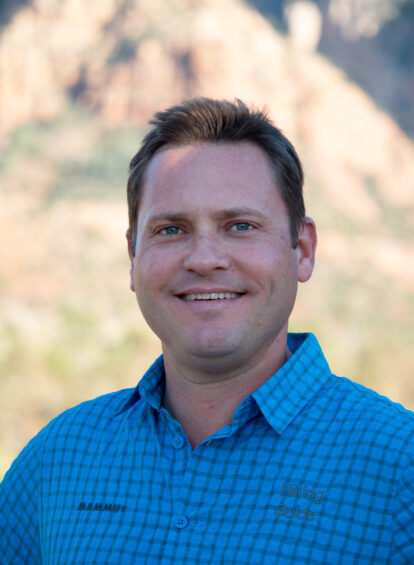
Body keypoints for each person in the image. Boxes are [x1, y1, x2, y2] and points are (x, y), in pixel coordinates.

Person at [0, 98, 413, 564]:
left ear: (302, 249)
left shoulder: (399, 466)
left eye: (240, 225)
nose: (204, 258)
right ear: (133, 257)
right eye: (172, 230)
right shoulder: (59, 459)